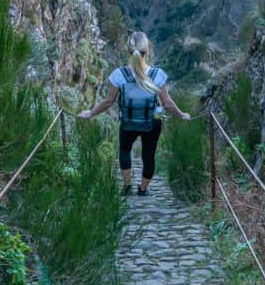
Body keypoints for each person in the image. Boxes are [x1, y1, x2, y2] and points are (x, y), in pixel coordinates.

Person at [78, 31, 190, 195]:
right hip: (152, 123)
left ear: (128, 50)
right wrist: (182, 115)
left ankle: (127, 186)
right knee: (149, 155)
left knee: (124, 151)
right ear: (148, 50)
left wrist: (90, 113)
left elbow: (108, 102)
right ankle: (143, 189)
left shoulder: (119, 74)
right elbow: (167, 103)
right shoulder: (157, 74)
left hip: (128, 122)